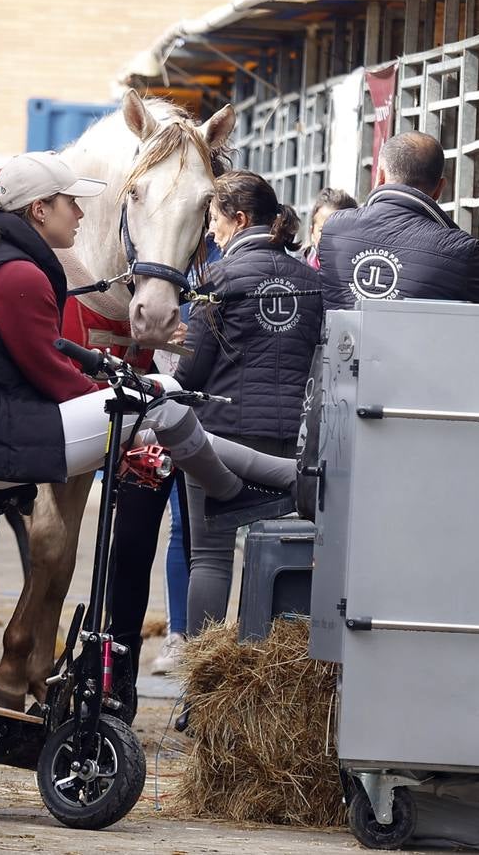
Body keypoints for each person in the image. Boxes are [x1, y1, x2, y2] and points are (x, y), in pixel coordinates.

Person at [0, 152, 298, 571]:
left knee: (158, 408)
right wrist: (114, 394)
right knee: (161, 400)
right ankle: (255, 484)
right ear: (39, 209)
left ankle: (256, 482)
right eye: (72, 203)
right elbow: (53, 377)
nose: (81, 213)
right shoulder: (20, 274)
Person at [173, 170, 323, 651]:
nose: (211, 232)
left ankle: (201, 685)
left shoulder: (216, 277)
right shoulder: (311, 280)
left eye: (214, 220)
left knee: (211, 560)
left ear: (238, 219)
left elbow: (192, 373)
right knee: (280, 557)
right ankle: (267, 678)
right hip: (289, 443)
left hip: (222, 441)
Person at [318, 131, 479, 309]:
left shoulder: (334, 229)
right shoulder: (459, 250)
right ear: (439, 189)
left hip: (341, 358)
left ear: (380, 176)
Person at [302, 187, 357, 270]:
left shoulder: (359, 274)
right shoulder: (296, 270)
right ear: (312, 233)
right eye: (322, 231)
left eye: (339, 232)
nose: (331, 239)